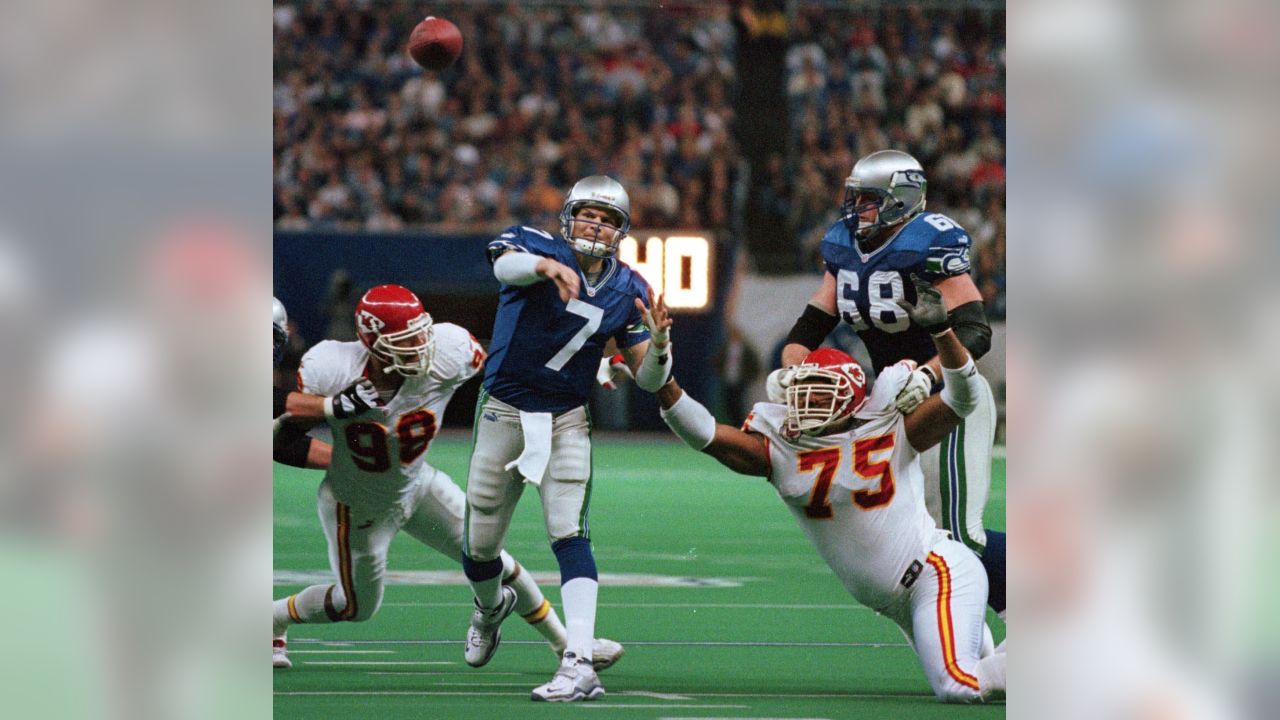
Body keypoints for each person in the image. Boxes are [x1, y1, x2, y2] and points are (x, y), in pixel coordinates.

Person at [659, 279, 1005, 703]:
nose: (807, 404)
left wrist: (942, 333)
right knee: (979, 669)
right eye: (803, 393)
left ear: (852, 400)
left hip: (934, 572)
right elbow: (706, 434)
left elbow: (963, 397)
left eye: (821, 395)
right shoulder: (780, 450)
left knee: (957, 685)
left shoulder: (890, 428)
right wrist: (665, 386)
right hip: (896, 603)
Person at [270, 284, 622, 672]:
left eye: (421, 333)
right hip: (356, 506)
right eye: (405, 341)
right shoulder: (332, 368)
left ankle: (567, 646)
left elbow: (509, 368)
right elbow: (282, 441)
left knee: (492, 558)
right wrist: (339, 434)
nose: (420, 346)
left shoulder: (449, 350)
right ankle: (272, 618)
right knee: (353, 607)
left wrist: (584, 362)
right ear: (372, 342)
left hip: (418, 485)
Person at [464, 176, 673, 702]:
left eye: (607, 218)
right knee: (480, 546)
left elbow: (648, 379)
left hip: (565, 417)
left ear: (621, 229)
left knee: (569, 533)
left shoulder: (631, 288)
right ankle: (491, 608)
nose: (596, 225)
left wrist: (663, 349)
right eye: (589, 214)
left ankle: (578, 662)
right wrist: (544, 267)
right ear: (569, 216)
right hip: (504, 411)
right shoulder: (535, 247)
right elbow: (502, 265)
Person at [773, 150, 1005, 618]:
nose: (857, 210)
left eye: (868, 201)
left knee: (959, 533)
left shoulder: (928, 242)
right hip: (893, 406)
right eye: (855, 200)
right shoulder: (844, 247)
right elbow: (807, 329)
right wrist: (789, 371)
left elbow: (976, 332)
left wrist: (929, 373)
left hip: (948, 399)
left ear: (900, 201)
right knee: (912, 535)